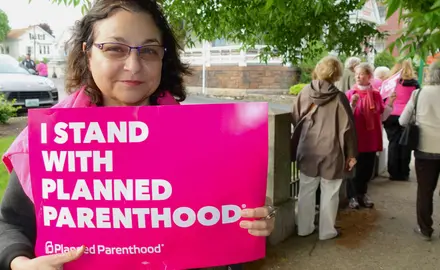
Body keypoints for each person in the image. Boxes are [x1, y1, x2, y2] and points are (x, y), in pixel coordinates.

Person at [0, 1, 275, 270]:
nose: (133, 65)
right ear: (88, 53)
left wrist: (253, 222)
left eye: (149, 51)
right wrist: (20, 263)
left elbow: (221, 240)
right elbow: (10, 224)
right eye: (115, 49)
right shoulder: (46, 141)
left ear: (162, 58)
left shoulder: (207, 141)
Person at [293, 56, 357, 240]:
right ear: (337, 74)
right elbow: (348, 128)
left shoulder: (304, 92)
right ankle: (326, 231)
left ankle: (303, 228)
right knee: (330, 191)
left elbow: (295, 117)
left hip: (308, 148)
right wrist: (351, 154)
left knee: (306, 189)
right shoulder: (339, 97)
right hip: (332, 150)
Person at [345, 63, 396, 209]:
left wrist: (390, 103)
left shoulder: (376, 94)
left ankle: (362, 193)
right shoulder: (350, 94)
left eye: (361, 74)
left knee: (367, 168)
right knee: (353, 167)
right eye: (356, 74)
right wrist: (352, 105)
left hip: (371, 137)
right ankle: (352, 196)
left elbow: (382, 116)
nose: (358, 77)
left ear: (369, 76)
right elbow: (346, 117)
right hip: (355, 138)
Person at [399, 61, 440, 241]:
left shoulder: (419, 93)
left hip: (425, 150)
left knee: (425, 191)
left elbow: (402, 121)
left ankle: (425, 229)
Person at [383, 60, 420, 181]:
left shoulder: (390, 83)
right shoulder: (414, 84)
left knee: (393, 143)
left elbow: (383, 98)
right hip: (407, 116)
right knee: (405, 144)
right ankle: (404, 172)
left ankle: (393, 172)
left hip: (391, 115)